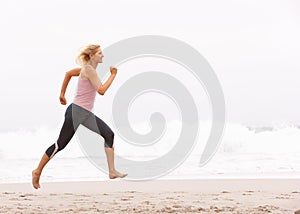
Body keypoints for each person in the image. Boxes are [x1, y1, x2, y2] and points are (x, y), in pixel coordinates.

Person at [32, 44, 127, 189]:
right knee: (60, 145)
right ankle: (37, 171)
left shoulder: (88, 69)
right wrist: (113, 75)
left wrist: (62, 94)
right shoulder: (89, 70)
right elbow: (101, 90)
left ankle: (112, 171)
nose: (103, 56)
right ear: (91, 56)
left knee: (109, 134)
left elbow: (68, 74)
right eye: (100, 53)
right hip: (76, 112)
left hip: (84, 113)